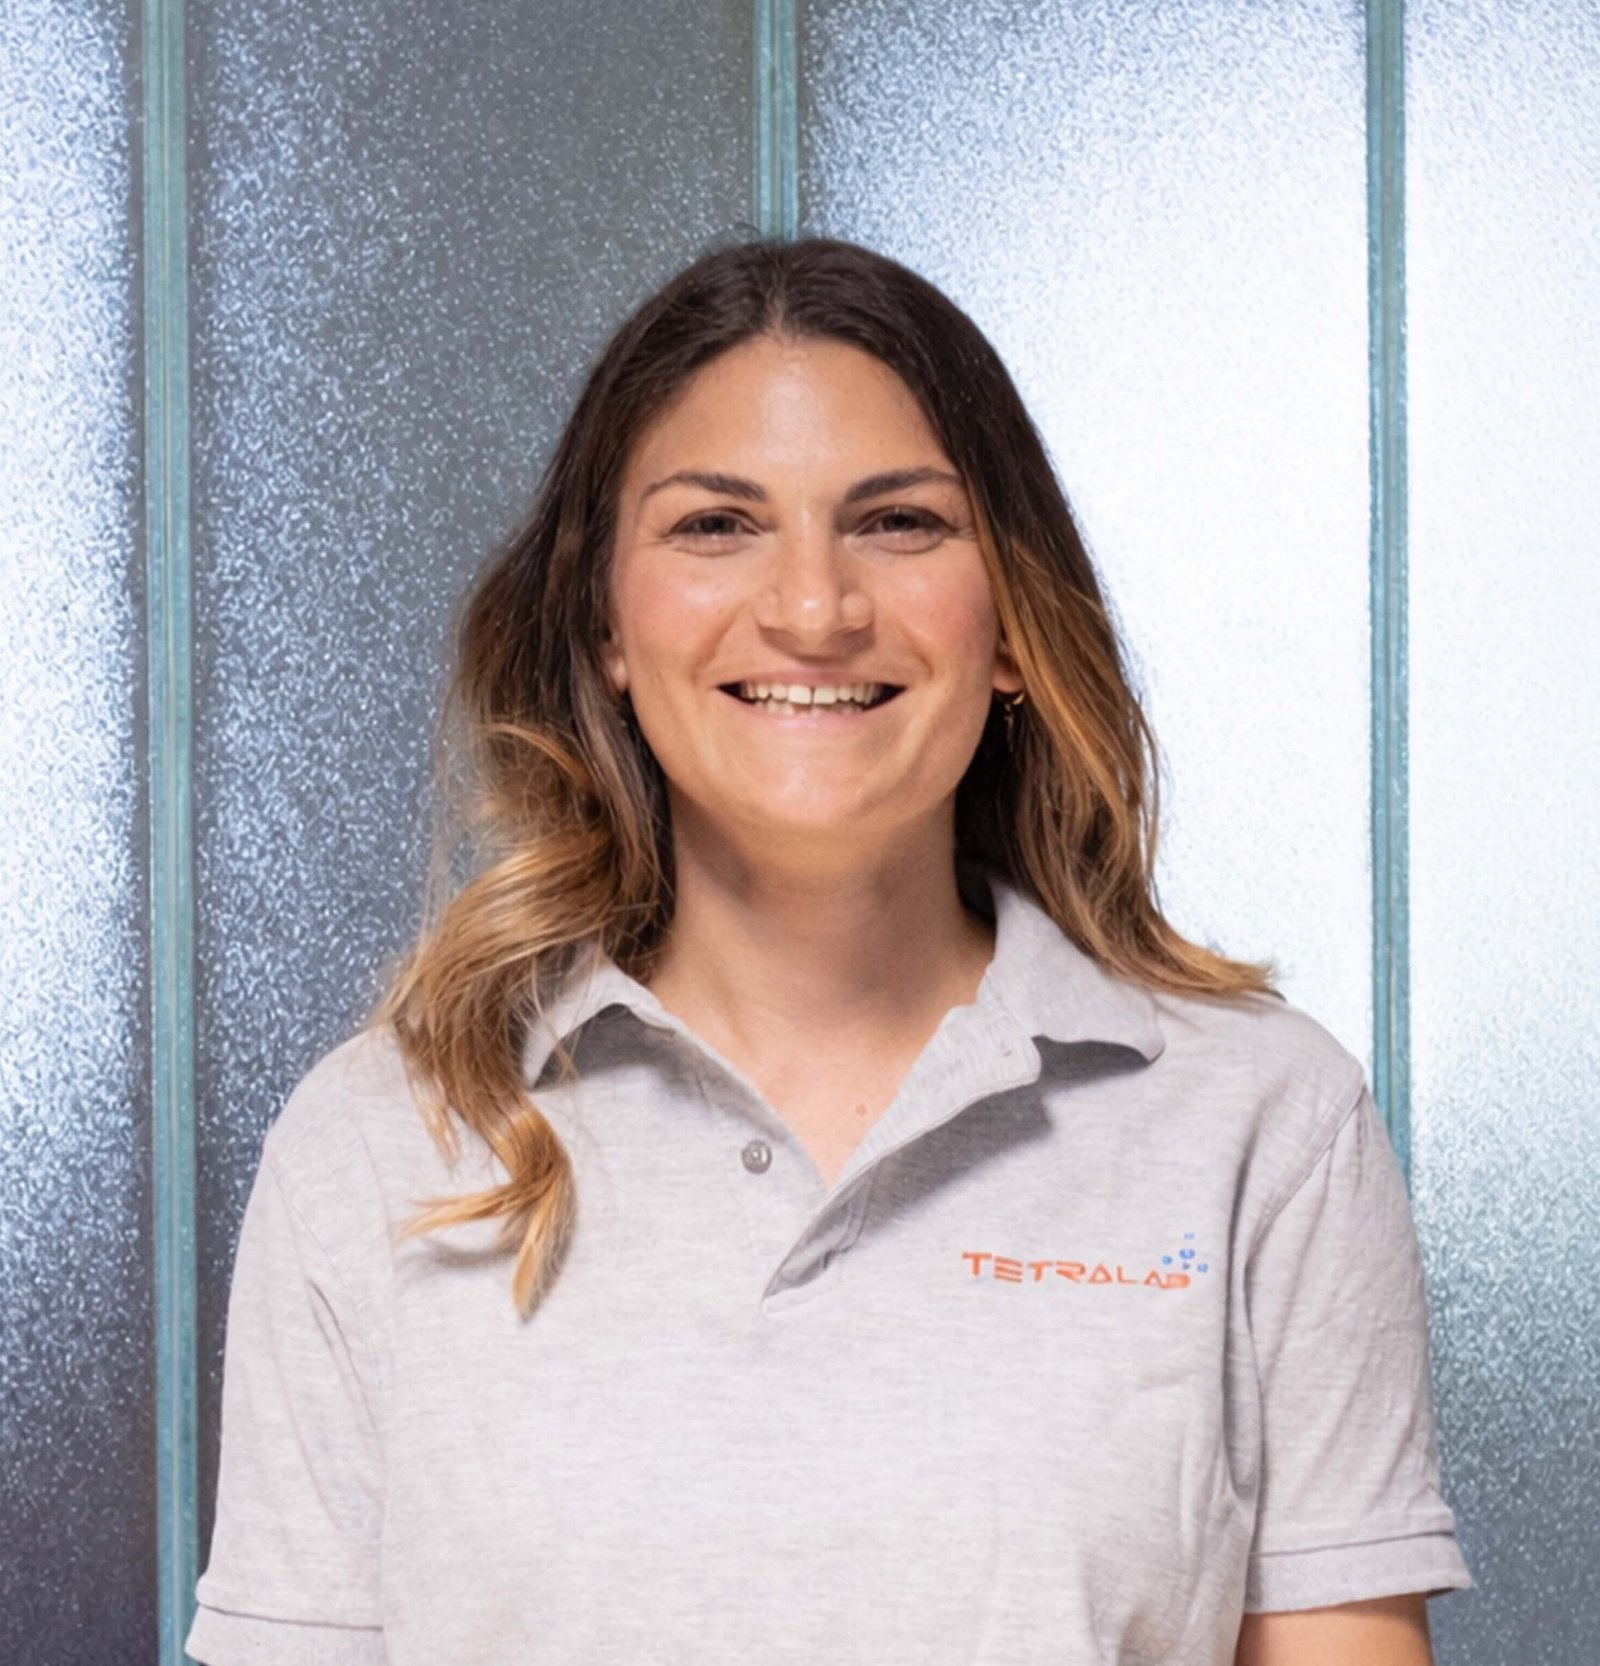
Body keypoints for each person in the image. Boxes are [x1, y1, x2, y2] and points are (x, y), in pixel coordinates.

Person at [186, 237, 1470, 1665]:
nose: (814, 608)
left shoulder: (1262, 1121)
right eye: (716, 525)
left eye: (900, 523)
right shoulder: (382, 1143)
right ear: (605, 626)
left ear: (1011, 626)